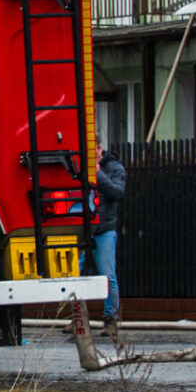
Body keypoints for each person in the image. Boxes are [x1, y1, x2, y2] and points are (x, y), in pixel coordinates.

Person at [84, 144, 125, 336]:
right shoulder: (79, 166)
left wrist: (98, 175)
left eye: (94, 151)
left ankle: (111, 320)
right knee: (74, 273)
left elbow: (117, 192)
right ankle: (79, 318)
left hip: (104, 228)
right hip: (83, 229)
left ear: (100, 149)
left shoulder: (114, 168)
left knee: (107, 274)